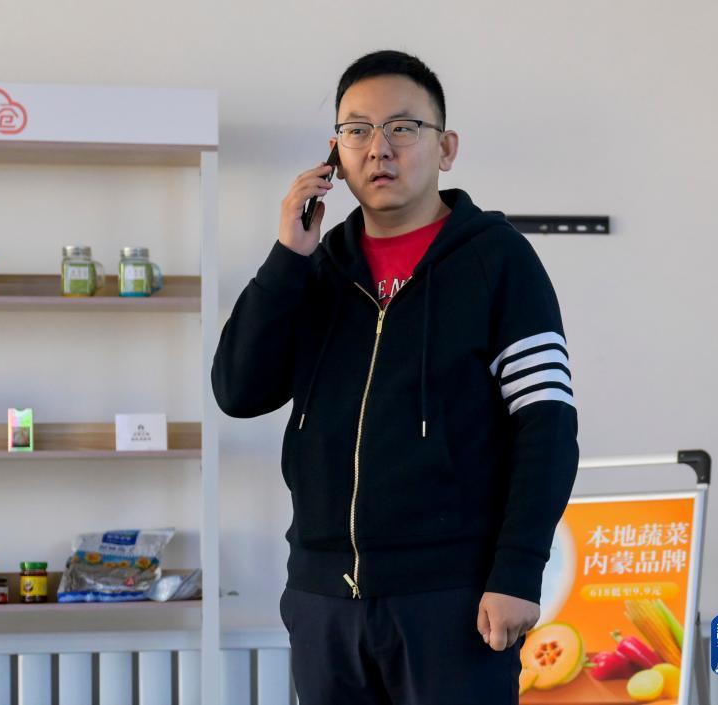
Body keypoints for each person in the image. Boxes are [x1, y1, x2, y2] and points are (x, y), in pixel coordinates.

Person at [212, 49, 579, 705]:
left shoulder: (499, 262)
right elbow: (238, 391)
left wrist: (519, 571)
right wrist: (287, 256)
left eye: (403, 128)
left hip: (455, 599)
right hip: (324, 602)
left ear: (446, 147)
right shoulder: (318, 269)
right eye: (357, 130)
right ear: (335, 153)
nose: (379, 148)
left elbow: (546, 426)